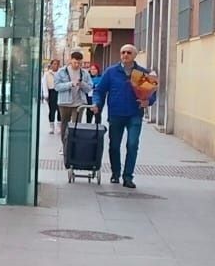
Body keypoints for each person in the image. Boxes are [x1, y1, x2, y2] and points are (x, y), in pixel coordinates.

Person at [93, 42, 159, 189]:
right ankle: (115, 173)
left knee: (132, 144)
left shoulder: (142, 73)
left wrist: (147, 102)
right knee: (114, 146)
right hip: (116, 114)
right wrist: (97, 104)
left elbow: (152, 93)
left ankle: (128, 176)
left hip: (135, 114)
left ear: (134, 55)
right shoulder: (111, 72)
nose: (125, 55)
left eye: (129, 53)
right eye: (123, 52)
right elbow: (100, 90)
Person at [54, 50, 94, 147]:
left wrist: (82, 84)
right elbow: (57, 87)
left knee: (76, 125)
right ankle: (65, 146)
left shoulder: (84, 73)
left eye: (79, 63)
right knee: (65, 125)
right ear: (70, 60)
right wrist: (70, 84)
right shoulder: (62, 72)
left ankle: (73, 146)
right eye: (75, 62)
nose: (77, 65)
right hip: (64, 103)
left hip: (79, 103)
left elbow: (89, 88)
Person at [42, 58, 61, 133]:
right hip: (51, 92)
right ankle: (51, 126)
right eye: (54, 64)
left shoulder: (60, 73)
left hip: (59, 92)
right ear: (51, 65)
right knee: (52, 110)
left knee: (60, 110)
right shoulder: (47, 74)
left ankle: (59, 126)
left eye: (57, 64)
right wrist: (45, 94)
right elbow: (44, 84)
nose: (55, 66)